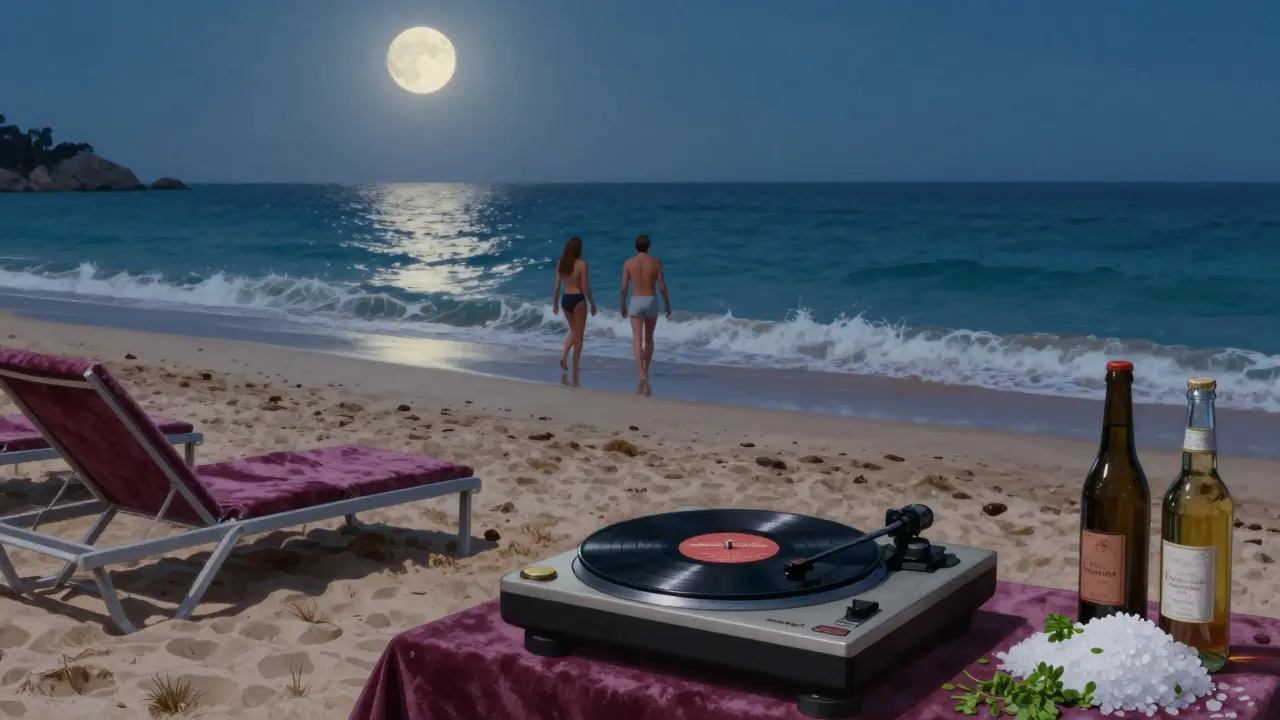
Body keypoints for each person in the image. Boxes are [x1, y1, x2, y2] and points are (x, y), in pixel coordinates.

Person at [620, 234, 670, 380]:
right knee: (649, 338)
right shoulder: (655, 262)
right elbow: (661, 287)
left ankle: (640, 371)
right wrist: (667, 304)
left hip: (636, 300)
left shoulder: (628, 263)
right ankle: (646, 369)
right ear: (649, 247)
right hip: (651, 299)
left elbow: (623, 287)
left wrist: (622, 304)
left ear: (636, 247)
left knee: (637, 337)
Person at [552, 236, 597, 372]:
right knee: (578, 332)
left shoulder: (561, 264)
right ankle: (569, 359)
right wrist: (592, 303)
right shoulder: (582, 264)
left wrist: (554, 303)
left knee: (574, 331)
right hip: (577, 298)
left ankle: (569, 360)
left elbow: (557, 285)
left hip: (565, 299)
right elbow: (585, 286)